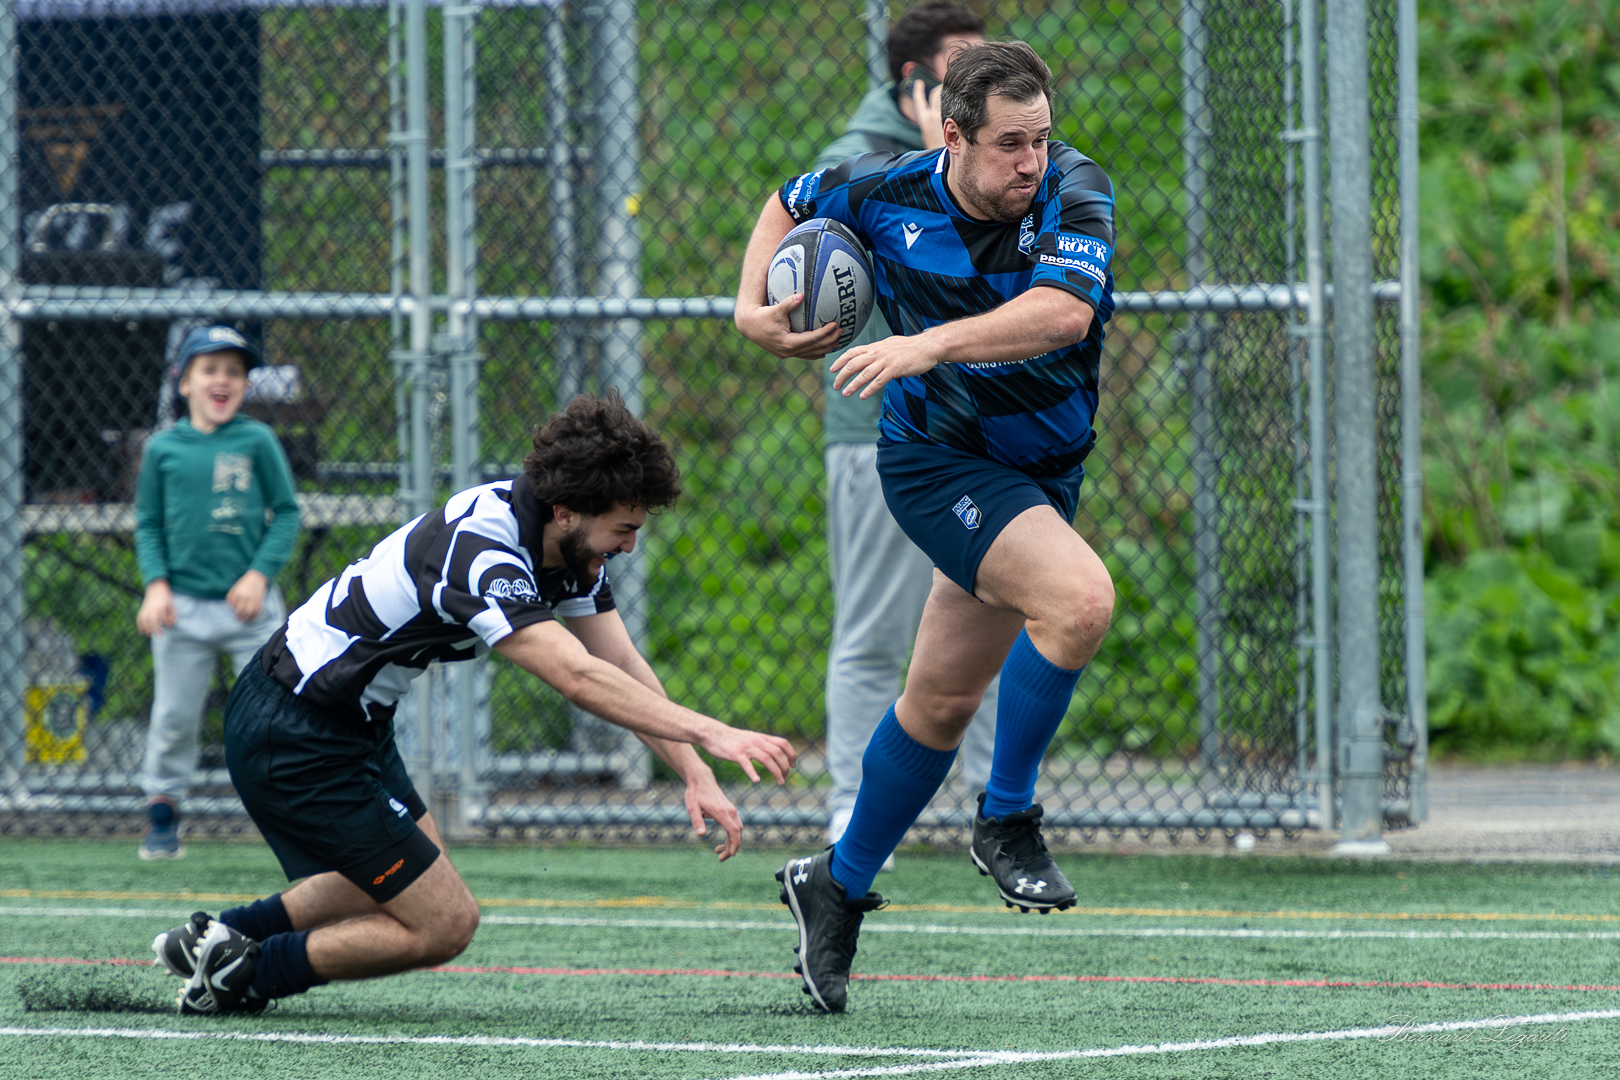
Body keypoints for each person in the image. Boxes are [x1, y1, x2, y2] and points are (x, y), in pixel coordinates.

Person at [150, 389, 797, 1016]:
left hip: (349, 721)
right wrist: (714, 732)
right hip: (294, 725)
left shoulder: (564, 547)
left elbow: (618, 661)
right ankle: (244, 973)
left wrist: (693, 770)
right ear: (567, 509)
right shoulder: (483, 549)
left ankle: (219, 935)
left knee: (399, 874)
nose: (628, 547)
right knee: (445, 922)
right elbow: (575, 676)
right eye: (622, 530)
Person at [735, 41, 1117, 1012]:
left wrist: (925, 342)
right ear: (953, 136)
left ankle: (837, 882)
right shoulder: (882, 190)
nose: (1032, 161)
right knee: (1078, 604)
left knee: (940, 703)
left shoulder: (1075, 191)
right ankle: (1009, 819)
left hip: (1040, 473)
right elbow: (787, 202)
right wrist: (751, 312)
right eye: (1009, 145)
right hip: (935, 465)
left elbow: (1062, 315)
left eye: (1041, 138)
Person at [815, 1, 997, 871]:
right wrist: (933, 158)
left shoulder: (990, 155)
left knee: (992, 615)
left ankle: (997, 812)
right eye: (960, 65)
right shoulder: (857, 156)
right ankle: (855, 817)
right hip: (878, 432)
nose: (976, 82)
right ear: (912, 78)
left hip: (978, 432)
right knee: (876, 635)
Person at [134, 325, 300, 861]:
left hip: (249, 610)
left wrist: (259, 575)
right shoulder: (162, 448)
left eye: (234, 371)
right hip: (181, 609)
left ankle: (297, 816)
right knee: (175, 718)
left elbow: (287, 514)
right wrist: (156, 587)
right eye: (210, 370)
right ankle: (163, 812)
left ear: (246, 385)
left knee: (277, 711)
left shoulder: (257, 441)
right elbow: (148, 524)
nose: (222, 380)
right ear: (184, 382)